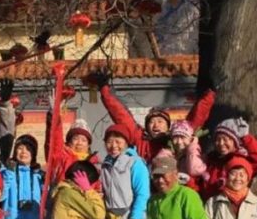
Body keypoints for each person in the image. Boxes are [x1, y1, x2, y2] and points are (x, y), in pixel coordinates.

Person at [84, 69, 216, 161]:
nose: (156, 125)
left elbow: (196, 118)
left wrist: (210, 94)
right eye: (152, 122)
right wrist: (104, 89)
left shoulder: (177, 138)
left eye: (160, 121)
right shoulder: (140, 139)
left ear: (167, 126)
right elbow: (120, 114)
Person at [100, 124, 151, 219]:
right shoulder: (106, 164)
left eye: (118, 141)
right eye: (109, 142)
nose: (113, 145)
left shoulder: (135, 162)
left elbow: (142, 193)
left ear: (126, 142)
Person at [199, 118, 257, 200]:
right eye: (218, 140)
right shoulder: (210, 160)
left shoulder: (240, 161)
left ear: (234, 141)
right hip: (207, 207)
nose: (221, 143)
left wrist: (246, 137)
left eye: (225, 139)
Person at [46, 115, 100, 186]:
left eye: (83, 140)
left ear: (88, 145)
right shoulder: (62, 157)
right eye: (75, 139)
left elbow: (97, 188)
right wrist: (54, 116)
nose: (79, 143)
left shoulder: (94, 164)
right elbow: (54, 142)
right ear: (69, 142)